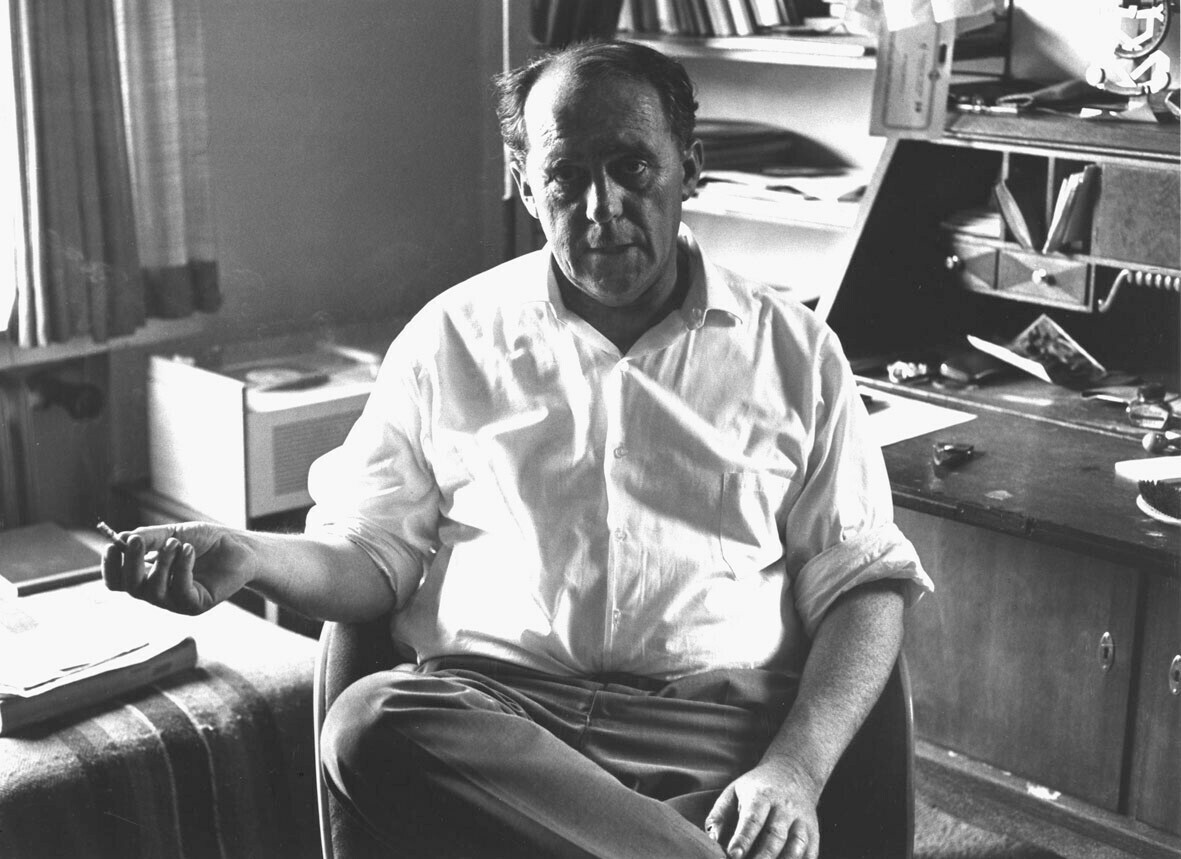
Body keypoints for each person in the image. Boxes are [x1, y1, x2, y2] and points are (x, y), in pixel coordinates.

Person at [102, 39, 931, 859]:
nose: (602, 207)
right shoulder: (449, 338)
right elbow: (368, 558)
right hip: (494, 729)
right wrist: (248, 554)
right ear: (526, 184)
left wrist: (794, 768)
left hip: (708, 738)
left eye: (632, 167)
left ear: (690, 167)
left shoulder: (795, 352)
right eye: (567, 174)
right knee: (368, 721)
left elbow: (862, 587)